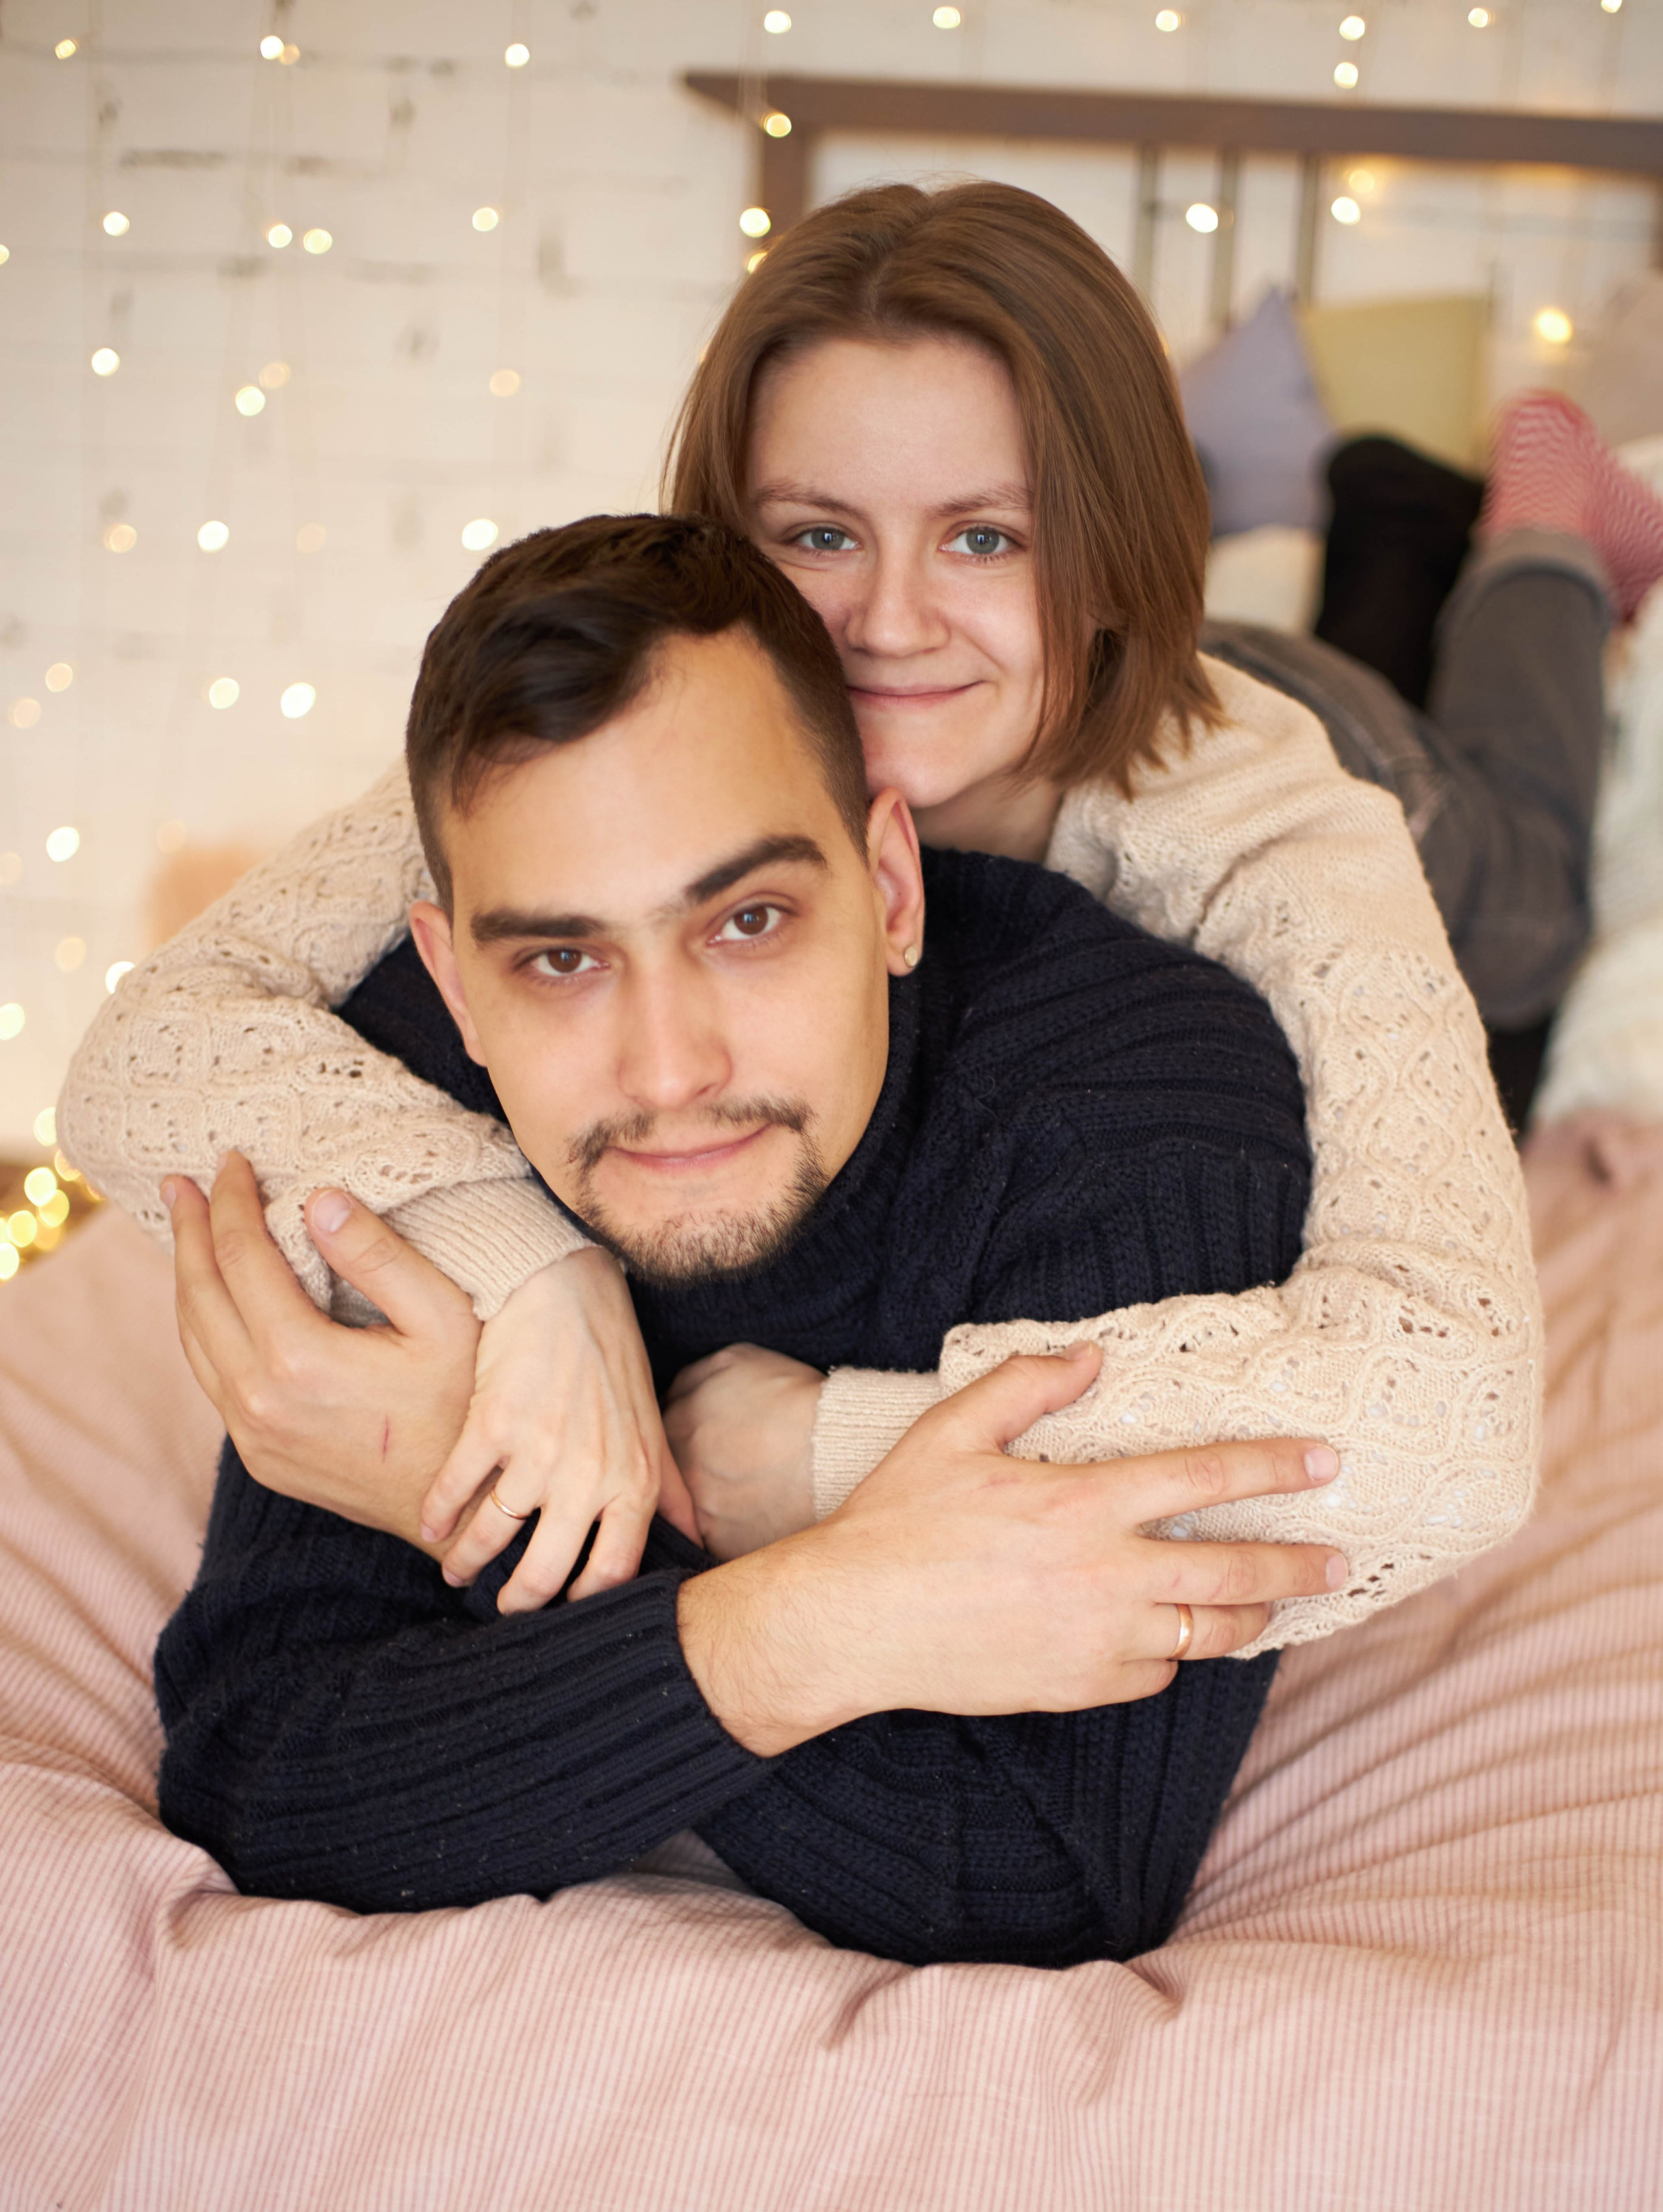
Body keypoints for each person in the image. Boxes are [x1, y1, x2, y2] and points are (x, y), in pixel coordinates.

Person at [63, 179, 1541, 1656]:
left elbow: (1457, 1417)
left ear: (1104, 561)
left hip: (1396, 789)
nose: (885, 626)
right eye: (819, 537)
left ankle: (1542, 542)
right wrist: (530, 1264)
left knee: (1531, 836)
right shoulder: (649, 725)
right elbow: (149, 1047)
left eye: (985, 538)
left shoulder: (1281, 839)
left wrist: (838, 1450)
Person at [156, 513, 1345, 1968]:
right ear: (455, 986)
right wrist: (798, 1622)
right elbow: (260, 1772)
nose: (669, 1072)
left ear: (889, 889)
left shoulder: (1139, 1098)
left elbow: (1046, 1871)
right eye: (562, 958)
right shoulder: (397, 1085)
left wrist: (471, 1503)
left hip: (1382, 790)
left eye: (748, 920)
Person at [1205, 392, 1663, 1122]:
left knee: (1531, 906)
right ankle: (1401, 509)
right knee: (1379, 492)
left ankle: (1546, 501)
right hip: (1242, 710)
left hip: (1266, 768)